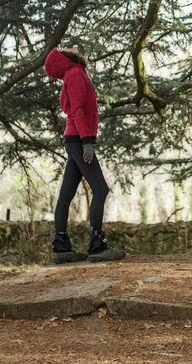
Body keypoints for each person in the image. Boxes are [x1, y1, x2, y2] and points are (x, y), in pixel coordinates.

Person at [43, 46, 125, 264]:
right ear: (66, 58)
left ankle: (61, 249)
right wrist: (87, 141)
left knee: (66, 194)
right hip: (79, 139)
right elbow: (78, 109)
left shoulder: (73, 74)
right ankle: (97, 246)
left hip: (73, 139)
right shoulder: (75, 74)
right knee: (101, 189)